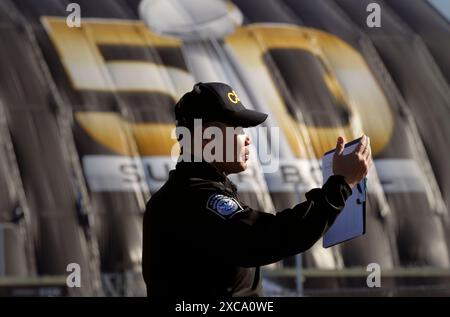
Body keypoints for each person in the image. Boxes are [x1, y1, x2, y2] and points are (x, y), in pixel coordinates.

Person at [142, 82, 372, 297]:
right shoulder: (195, 199)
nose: (247, 138)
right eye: (238, 128)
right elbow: (272, 236)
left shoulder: (186, 193)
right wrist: (340, 185)